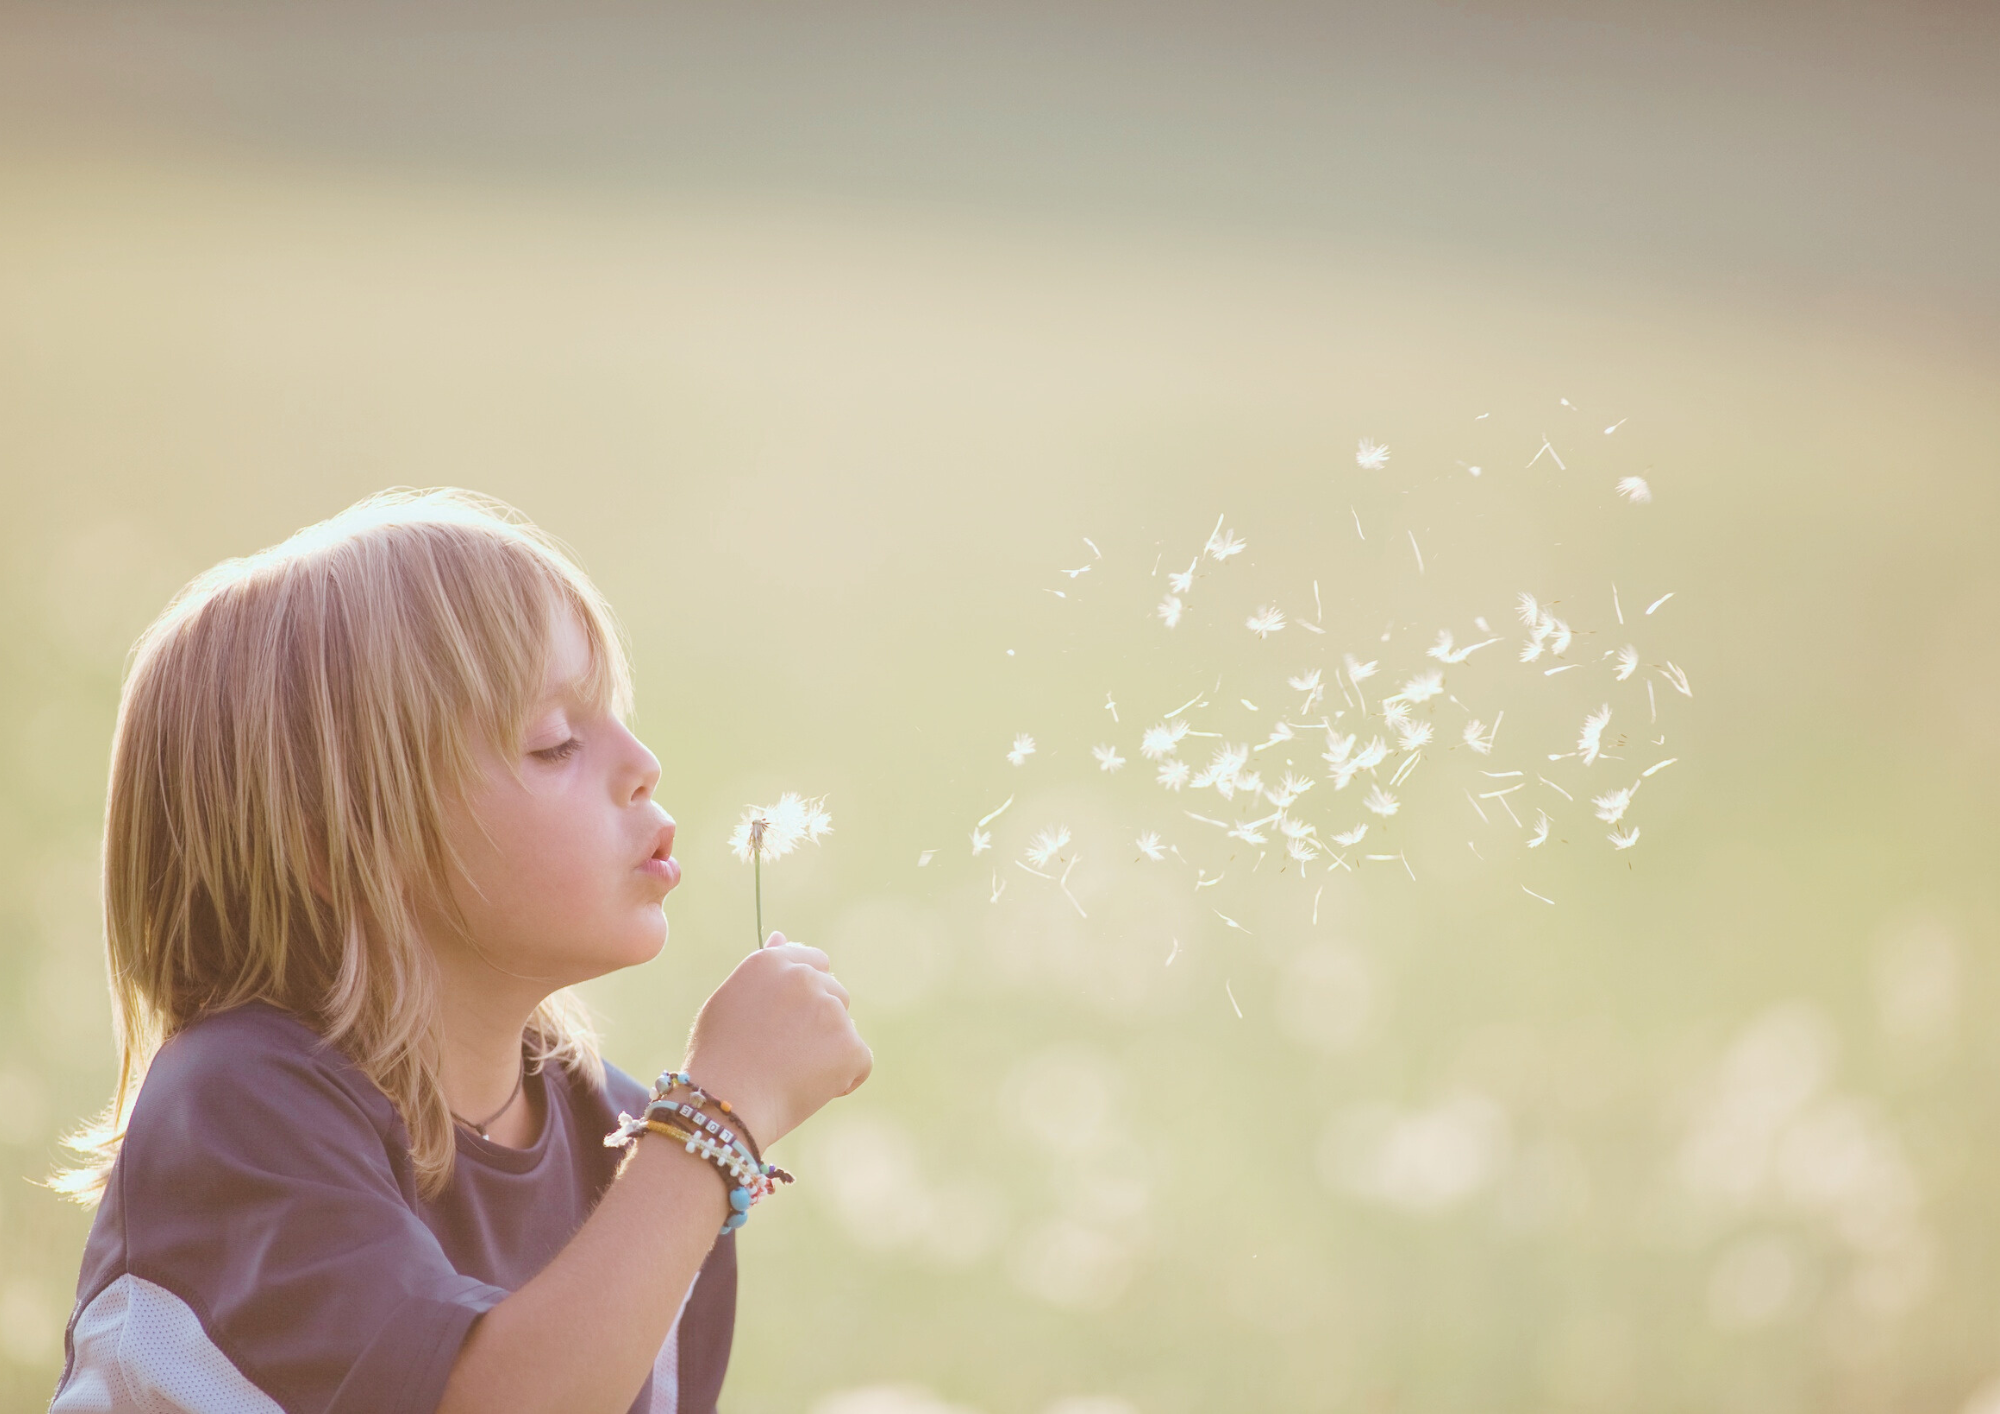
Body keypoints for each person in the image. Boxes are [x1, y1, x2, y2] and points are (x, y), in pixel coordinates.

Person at [48, 488, 873, 1414]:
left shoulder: (632, 1144)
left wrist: (691, 1148)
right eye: (555, 743)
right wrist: (715, 1125)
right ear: (346, 849)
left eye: (615, 715)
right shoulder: (237, 1105)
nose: (641, 761)